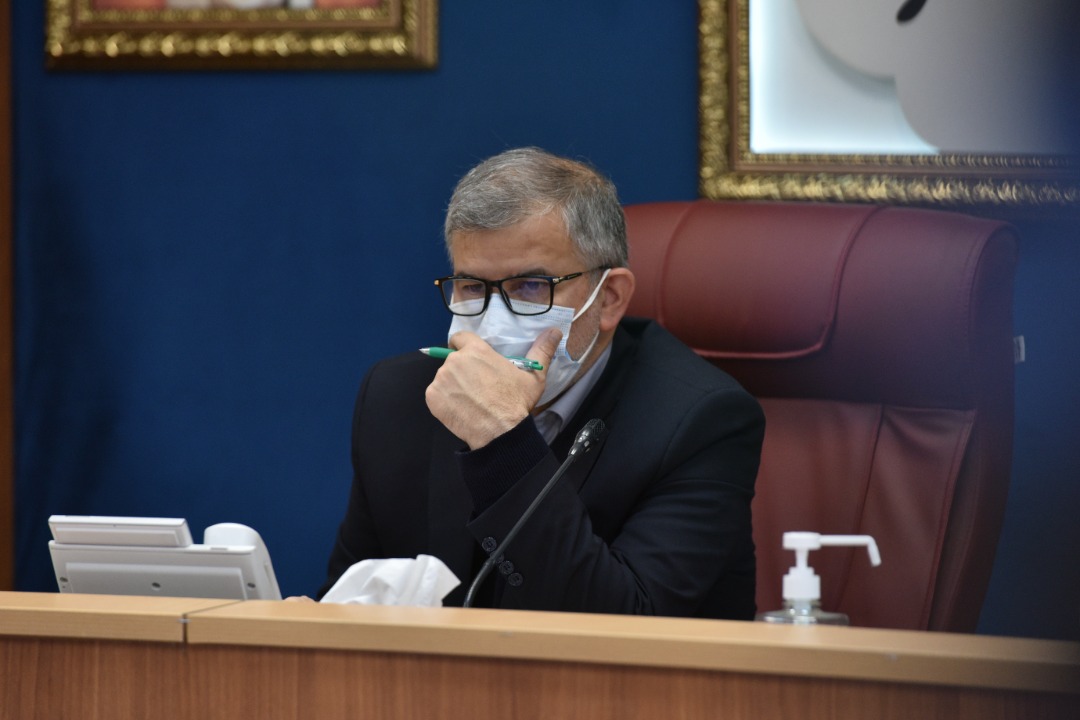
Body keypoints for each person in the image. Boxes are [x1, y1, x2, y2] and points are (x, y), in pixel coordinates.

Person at [319, 147, 765, 619]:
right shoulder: (399, 397)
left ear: (609, 299)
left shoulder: (701, 421)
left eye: (530, 287)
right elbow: (347, 607)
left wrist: (502, 440)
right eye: (472, 287)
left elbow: (626, 626)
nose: (493, 321)